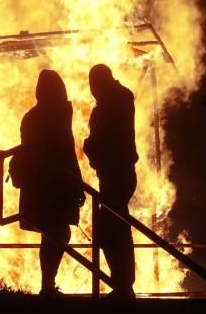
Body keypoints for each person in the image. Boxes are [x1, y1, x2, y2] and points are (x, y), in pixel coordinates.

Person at [11, 69, 84, 295]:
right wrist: (77, 184)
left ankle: (47, 285)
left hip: (39, 186)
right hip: (55, 186)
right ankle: (47, 285)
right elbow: (65, 152)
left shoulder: (32, 116)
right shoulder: (56, 115)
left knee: (52, 232)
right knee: (58, 232)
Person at [83, 64, 137, 298]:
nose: (93, 91)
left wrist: (90, 147)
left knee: (112, 229)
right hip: (116, 173)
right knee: (116, 227)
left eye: (93, 85)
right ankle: (123, 283)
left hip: (116, 173)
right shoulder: (118, 99)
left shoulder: (112, 103)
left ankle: (123, 285)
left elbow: (106, 139)